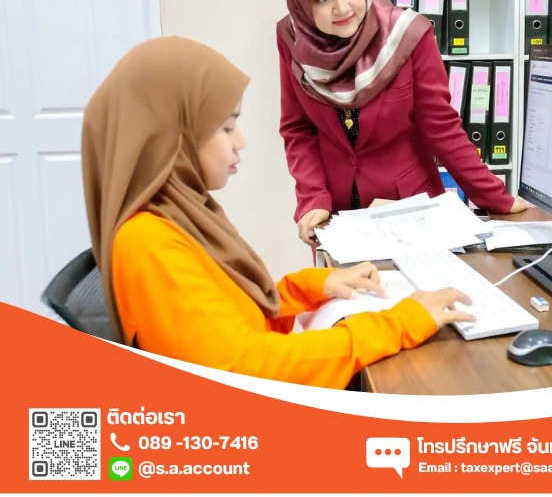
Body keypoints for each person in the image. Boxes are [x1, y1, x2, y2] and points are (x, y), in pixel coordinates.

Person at [81, 36, 473, 390]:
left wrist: (310, 288)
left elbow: (228, 317)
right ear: (171, 136)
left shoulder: (181, 213)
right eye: (226, 128)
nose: (240, 142)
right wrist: (397, 324)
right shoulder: (149, 243)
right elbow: (246, 370)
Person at [277, 0, 528, 246]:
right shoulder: (293, 39)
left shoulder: (408, 35)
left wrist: (494, 197)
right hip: (336, 218)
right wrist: (313, 197)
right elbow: (298, 128)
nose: (342, 8)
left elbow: (442, 127)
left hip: (409, 210)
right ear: (301, 2)